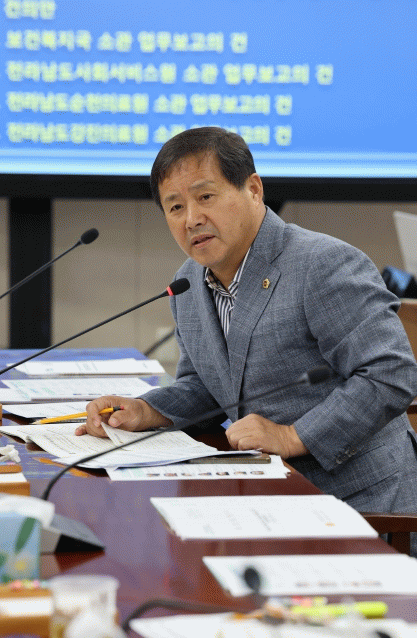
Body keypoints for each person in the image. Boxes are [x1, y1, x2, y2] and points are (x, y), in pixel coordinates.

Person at [78, 127, 417, 551]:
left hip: (366, 508)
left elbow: (391, 373)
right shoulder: (188, 283)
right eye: (175, 206)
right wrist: (147, 411)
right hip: (265, 500)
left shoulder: (322, 264)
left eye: (205, 197)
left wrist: (293, 436)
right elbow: (206, 386)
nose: (191, 219)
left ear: (253, 189)